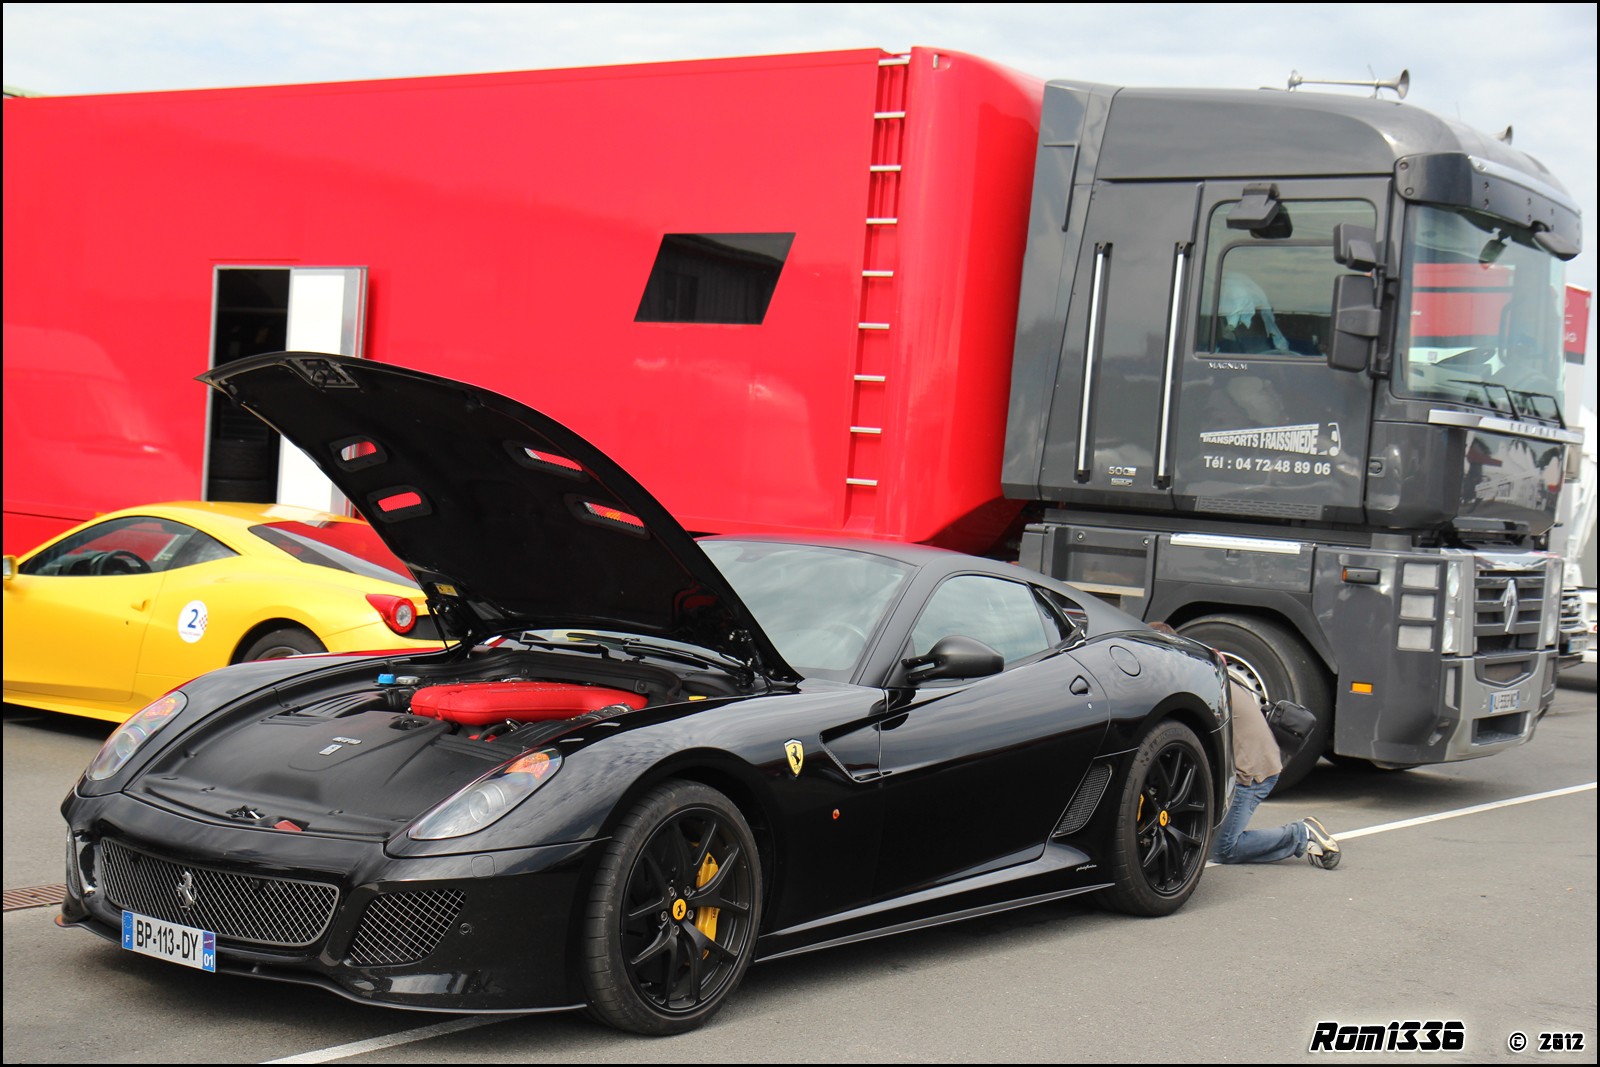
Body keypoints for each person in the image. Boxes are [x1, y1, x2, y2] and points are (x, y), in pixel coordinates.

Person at [1150, 623, 1341, 868]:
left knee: (1223, 849)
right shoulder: (1205, 672)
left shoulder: (1192, 683)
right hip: (1253, 762)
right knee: (1206, 839)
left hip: (1251, 773)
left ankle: (1300, 835)